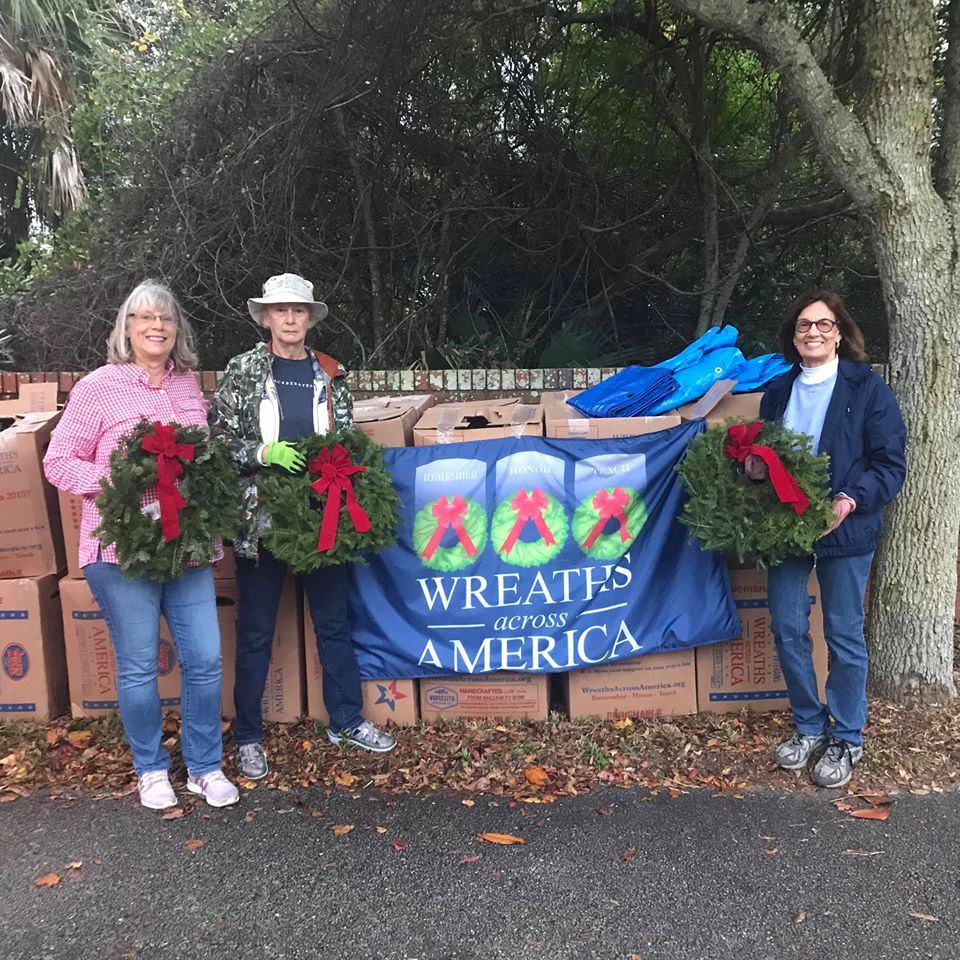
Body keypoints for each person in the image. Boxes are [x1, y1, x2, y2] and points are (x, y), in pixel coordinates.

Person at [44, 280, 239, 810]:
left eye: (167, 319)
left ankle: (203, 766)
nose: (157, 326)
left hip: (187, 547)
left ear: (177, 330)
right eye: (145, 317)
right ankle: (151, 769)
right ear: (126, 328)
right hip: (120, 550)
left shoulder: (187, 388)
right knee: (135, 665)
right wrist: (119, 483)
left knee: (204, 658)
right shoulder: (97, 388)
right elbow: (58, 461)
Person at [212, 272, 396, 781]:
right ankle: (249, 735)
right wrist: (260, 452)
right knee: (255, 632)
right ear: (266, 317)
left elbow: (348, 439)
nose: (290, 318)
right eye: (281, 310)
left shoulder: (331, 373)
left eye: (299, 311)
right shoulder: (243, 370)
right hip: (262, 517)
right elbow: (219, 440)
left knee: (333, 621)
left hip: (322, 514)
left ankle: (346, 720)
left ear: (310, 318)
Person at [761, 289, 906, 788]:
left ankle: (846, 736)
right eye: (804, 325)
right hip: (786, 529)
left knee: (843, 633)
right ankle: (808, 724)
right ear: (793, 336)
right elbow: (766, 460)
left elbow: (890, 463)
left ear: (840, 333)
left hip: (846, 529)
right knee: (786, 625)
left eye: (824, 324)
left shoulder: (867, 389)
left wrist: (847, 499)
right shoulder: (778, 392)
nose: (814, 333)